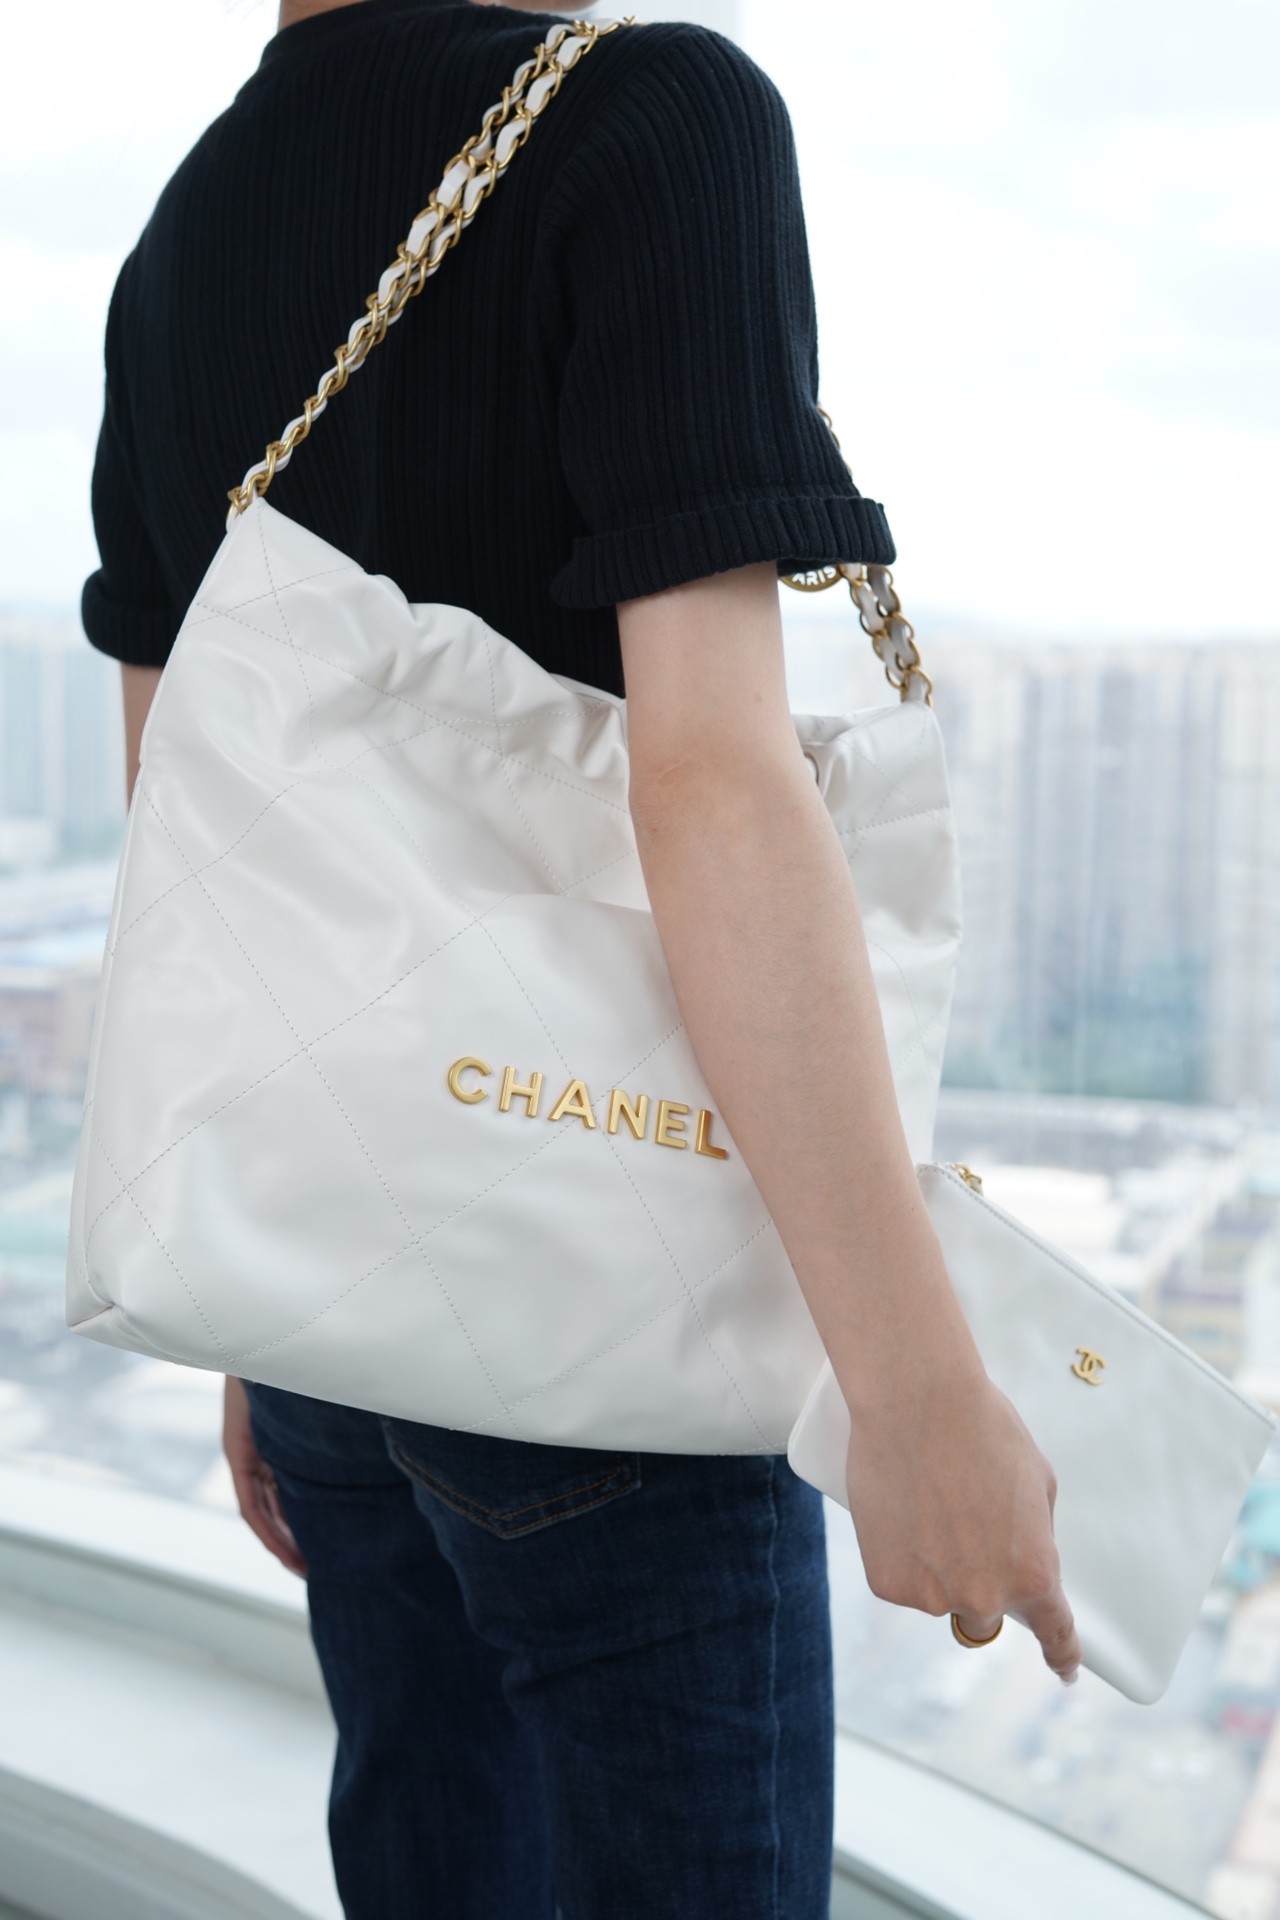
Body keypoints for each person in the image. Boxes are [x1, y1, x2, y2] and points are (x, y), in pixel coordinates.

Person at [84, 0, 1080, 1912]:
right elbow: (712, 783)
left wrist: (250, 1281)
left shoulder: (179, 230)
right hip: (603, 1320)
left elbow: (181, 825)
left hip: (328, 1297)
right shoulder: (654, 117)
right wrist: (911, 1383)